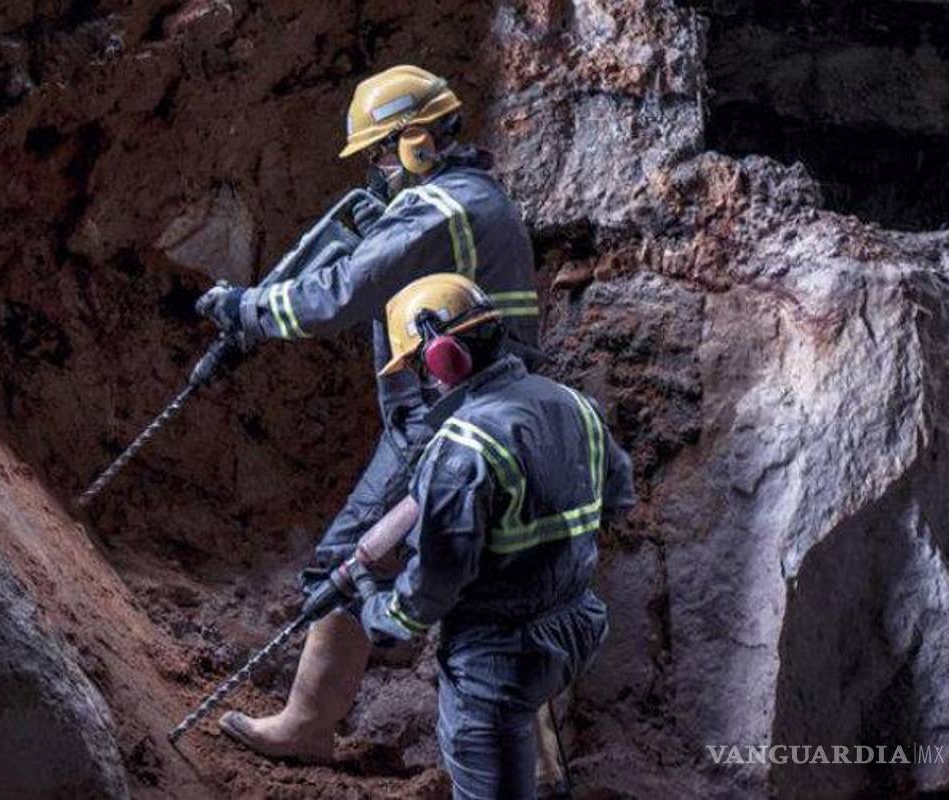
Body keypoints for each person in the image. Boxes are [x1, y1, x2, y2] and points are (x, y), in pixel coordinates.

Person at [196, 65, 541, 762]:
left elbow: (342, 294)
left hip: (444, 422)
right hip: (479, 409)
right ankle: (531, 762)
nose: (379, 168)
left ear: (417, 142)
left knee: (345, 566)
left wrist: (249, 310)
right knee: (498, 593)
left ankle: (305, 727)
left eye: (383, 151)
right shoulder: (476, 199)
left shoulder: (439, 209)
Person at [358, 274, 635, 799]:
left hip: (497, 659)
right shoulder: (576, 404)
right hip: (575, 626)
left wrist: (377, 610)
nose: (423, 381)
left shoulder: (461, 447)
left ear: (443, 357)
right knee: (534, 765)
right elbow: (616, 498)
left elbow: (429, 593)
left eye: (420, 366)